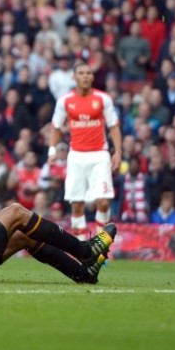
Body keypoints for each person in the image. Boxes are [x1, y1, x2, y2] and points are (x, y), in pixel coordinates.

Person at [49, 61, 122, 239]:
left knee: (103, 202)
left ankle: (100, 242)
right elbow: (56, 126)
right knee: (77, 205)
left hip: (100, 155)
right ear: (74, 77)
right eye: (81, 73)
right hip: (76, 156)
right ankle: (82, 248)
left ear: (92, 77)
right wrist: (52, 150)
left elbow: (113, 126)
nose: (85, 76)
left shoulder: (103, 99)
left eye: (88, 73)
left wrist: (118, 153)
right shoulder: (65, 101)